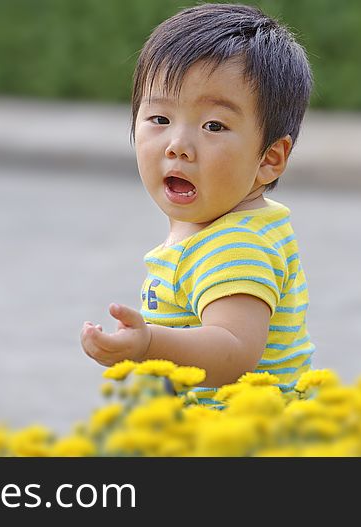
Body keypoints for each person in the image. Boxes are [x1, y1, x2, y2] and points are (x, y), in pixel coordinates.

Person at [81, 3, 314, 407]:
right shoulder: (223, 227)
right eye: (159, 119)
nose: (178, 146)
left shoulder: (237, 245)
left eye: (213, 126)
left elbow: (234, 349)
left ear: (269, 158)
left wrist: (149, 343)